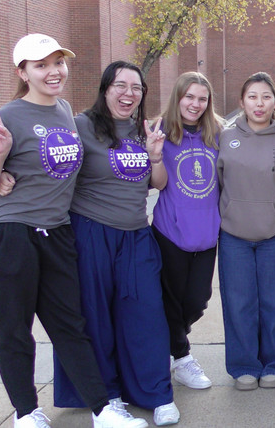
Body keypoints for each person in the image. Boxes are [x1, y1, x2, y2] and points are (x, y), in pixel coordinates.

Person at [0, 35, 147, 428]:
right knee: (15, 331)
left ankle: (102, 410)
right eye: (41, 65)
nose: (54, 71)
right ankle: (26, 413)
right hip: (10, 233)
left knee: (70, 325)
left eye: (58, 62)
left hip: (56, 232)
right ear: (23, 73)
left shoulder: (65, 110)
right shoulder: (8, 116)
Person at [51, 60, 179, 426]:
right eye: (120, 86)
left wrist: (155, 155)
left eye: (136, 88)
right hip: (92, 232)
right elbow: (46, 162)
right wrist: (5, 174)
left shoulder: (143, 130)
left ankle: (156, 393)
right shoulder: (81, 126)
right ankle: (106, 397)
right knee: (96, 317)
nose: (128, 93)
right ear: (105, 89)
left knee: (146, 315)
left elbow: (158, 183)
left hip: (136, 234)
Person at [217, 72, 275, 391]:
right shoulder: (225, 138)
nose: (259, 104)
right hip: (233, 236)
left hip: (273, 236)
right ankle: (244, 365)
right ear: (241, 102)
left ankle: (273, 363)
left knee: (274, 303)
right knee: (239, 303)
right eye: (252, 97)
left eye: (265, 97)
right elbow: (216, 184)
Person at [151, 72, 222, 390]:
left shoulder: (217, 133)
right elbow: (157, 183)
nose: (195, 104)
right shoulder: (160, 131)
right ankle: (181, 357)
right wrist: (154, 156)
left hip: (206, 233)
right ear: (177, 97)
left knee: (198, 300)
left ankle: (168, 341)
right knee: (171, 300)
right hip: (170, 231)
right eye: (189, 97)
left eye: (202, 98)